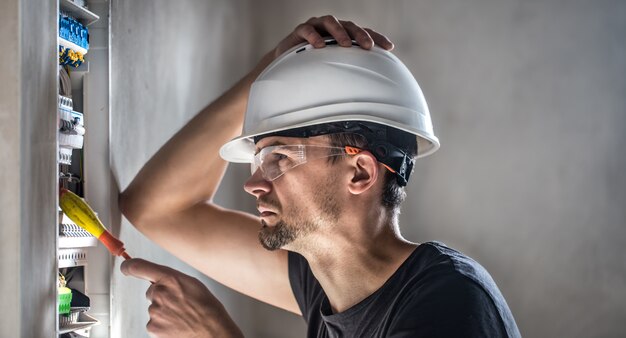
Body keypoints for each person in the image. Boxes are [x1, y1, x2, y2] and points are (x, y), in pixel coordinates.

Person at [119, 15, 521, 338]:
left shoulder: (448, 304)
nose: (253, 183)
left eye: (278, 157)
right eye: (258, 159)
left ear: (360, 172)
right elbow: (158, 210)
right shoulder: (323, 284)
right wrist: (267, 75)